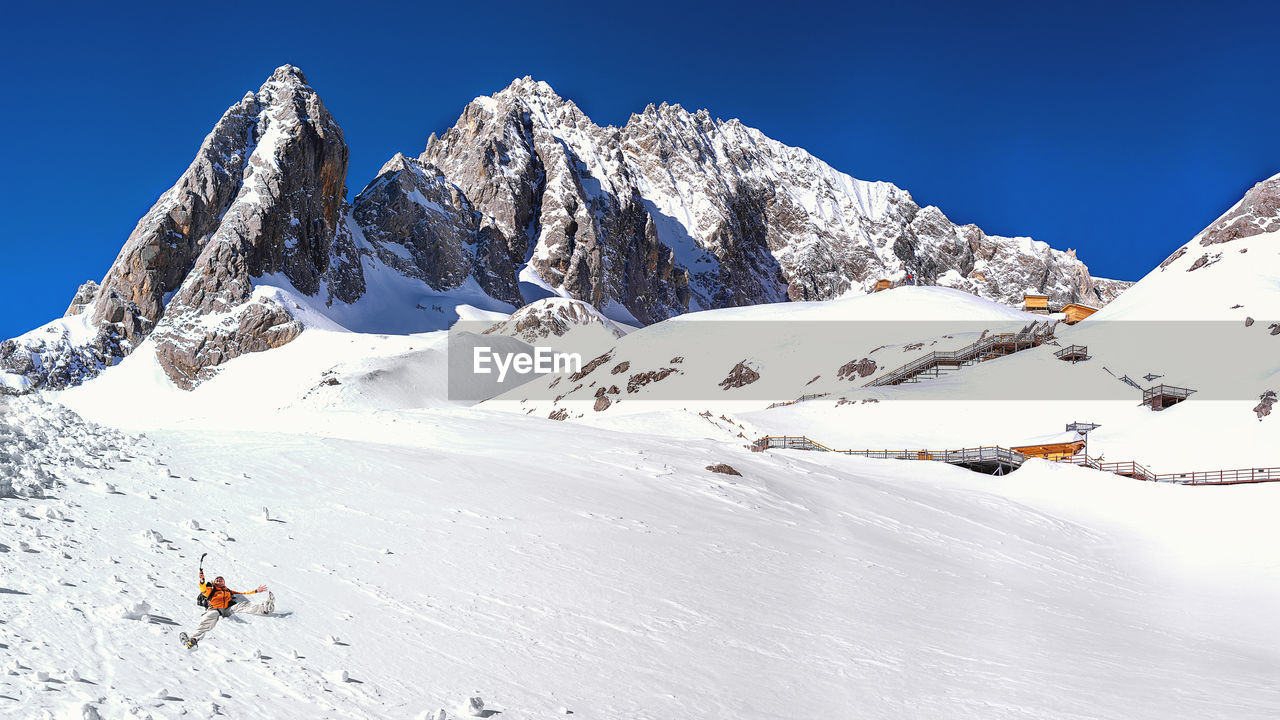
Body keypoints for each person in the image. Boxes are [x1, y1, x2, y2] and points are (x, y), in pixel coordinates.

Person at [184, 569, 274, 648]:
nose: (219, 580)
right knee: (209, 619)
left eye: (221, 580)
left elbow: (243, 593)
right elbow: (203, 589)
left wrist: (256, 591)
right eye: (217, 580)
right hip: (215, 609)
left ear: (224, 582)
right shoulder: (211, 590)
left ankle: (264, 609)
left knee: (242, 605)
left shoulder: (228, 591)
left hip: (227, 610)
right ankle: (193, 640)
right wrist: (202, 580)